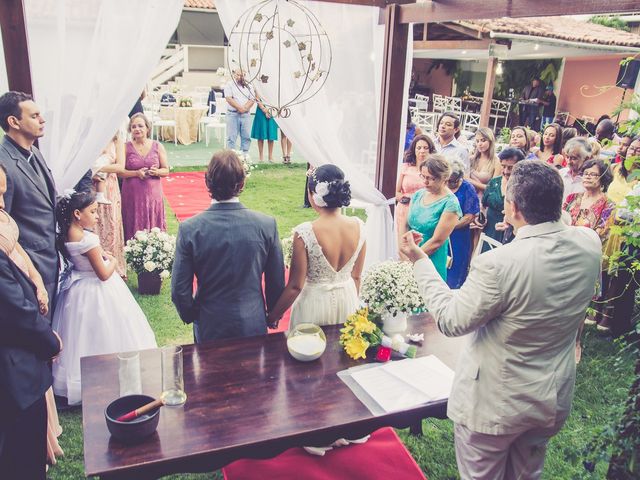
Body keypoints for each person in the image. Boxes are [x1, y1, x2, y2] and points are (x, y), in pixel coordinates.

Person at [400, 160, 601, 480]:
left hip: (495, 405)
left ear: (513, 207)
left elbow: (452, 321)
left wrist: (420, 262)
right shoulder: (590, 243)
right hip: (549, 397)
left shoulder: (498, 264)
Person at [52, 190, 156, 405]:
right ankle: (111, 379)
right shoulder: (88, 239)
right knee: (108, 330)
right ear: (78, 214)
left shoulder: (68, 234)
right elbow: (103, 274)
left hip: (78, 290)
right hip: (98, 289)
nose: (97, 216)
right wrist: (115, 263)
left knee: (80, 335)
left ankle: (78, 380)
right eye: (93, 211)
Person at [171, 150, 285, 342]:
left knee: (210, 372)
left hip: (210, 322)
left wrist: (190, 314)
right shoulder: (266, 225)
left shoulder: (190, 229)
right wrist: (272, 313)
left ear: (207, 182)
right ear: (242, 183)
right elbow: (276, 282)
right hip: (252, 320)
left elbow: (179, 290)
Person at [0, 165, 63, 477]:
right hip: (13, 373)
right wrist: (50, 341)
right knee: (22, 460)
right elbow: (14, 309)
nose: (2, 205)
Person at [267, 165, 365, 331]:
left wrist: (273, 316)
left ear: (313, 195)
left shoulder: (305, 232)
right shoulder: (359, 226)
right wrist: (351, 302)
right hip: (348, 298)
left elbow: (295, 286)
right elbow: (356, 276)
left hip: (315, 304)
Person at [0, 92, 58, 321]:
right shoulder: (3, 163)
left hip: (51, 261)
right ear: (13, 122)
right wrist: (29, 273)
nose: (42, 119)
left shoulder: (34, 152)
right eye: (34, 116)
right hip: (28, 270)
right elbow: (5, 222)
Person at [563, 159, 615, 360]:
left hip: (586, 258)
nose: (588, 176)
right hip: (565, 254)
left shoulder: (608, 204)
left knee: (579, 304)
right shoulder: (571, 198)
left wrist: (573, 233)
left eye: (593, 174)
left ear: (603, 178)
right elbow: (560, 221)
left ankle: (576, 341)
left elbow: (601, 233)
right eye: (585, 173)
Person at [407, 154, 461, 281]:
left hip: (430, 259)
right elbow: (405, 224)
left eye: (430, 178)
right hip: (410, 254)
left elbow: (437, 241)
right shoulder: (418, 194)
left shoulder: (450, 203)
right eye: (423, 176)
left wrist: (413, 259)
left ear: (444, 178)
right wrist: (403, 250)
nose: (425, 182)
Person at [121, 113, 169, 241]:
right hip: (133, 195)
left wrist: (157, 172)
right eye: (133, 127)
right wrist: (136, 173)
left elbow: (166, 170)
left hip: (153, 194)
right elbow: (119, 172)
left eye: (140, 126)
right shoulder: (125, 147)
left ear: (147, 128)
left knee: (153, 221)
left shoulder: (158, 146)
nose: (137, 129)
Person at [396, 134, 435, 258]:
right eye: (418, 148)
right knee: (401, 244)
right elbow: (396, 191)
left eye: (425, 148)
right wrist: (403, 198)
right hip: (404, 208)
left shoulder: (432, 171)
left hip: (423, 209)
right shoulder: (406, 167)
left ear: (430, 150)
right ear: (414, 150)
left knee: (417, 242)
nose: (422, 151)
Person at [95, 133, 126, 277]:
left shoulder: (117, 139)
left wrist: (97, 168)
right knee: (95, 222)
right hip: (93, 185)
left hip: (111, 187)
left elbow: (120, 167)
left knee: (111, 222)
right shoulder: (93, 137)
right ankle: (96, 263)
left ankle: (113, 264)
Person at [482, 147, 525, 246]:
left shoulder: (524, 186)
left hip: (511, 234)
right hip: (491, 230)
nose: (506, 171)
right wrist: (481, 215)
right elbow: (483, 205)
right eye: (503, 166)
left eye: (510, 167)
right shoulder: (494, 182)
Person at [446, 161, 479, 289]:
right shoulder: (441, 184)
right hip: (440, 234)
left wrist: (448, 226)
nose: (449, 184)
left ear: (460, 178)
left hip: (459, 236)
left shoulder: (467, 188)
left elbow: (470, 216)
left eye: (453, 181)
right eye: (447, 180)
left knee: (457, 266)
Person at [224, 70, 255, 157]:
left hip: (246, 115)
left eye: (242, 75)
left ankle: (244, 156)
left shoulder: (249, 86)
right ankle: (230, 157)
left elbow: (252, 99)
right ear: (234, 74)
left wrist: (244, 108)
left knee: (246, 136)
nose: (239, 77)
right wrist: (239, 108)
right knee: (231, 137)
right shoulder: (229, 85)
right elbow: (229, 98)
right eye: (238, 75)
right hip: (232, 114)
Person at [468, 127, 501, 201]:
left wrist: (470, 181)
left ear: (490, 141)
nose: (479, 144)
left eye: (483, 140)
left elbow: (494, 188)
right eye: (477, 141)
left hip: (484, 200)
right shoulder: (470, 159)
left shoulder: (496, 162)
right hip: (468, 197)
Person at [560, 137, 591, 202]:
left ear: (586, 159)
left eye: (573, 158)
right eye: (567, 157)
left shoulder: (590, 180)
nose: (569, 162)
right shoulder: (561, 173)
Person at [250, 90, 278, 163]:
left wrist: (270, 110)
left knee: (271, 134)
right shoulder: (258, 84)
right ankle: (261, 157)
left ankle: (270, 157)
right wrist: (264, 109)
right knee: (260, 134)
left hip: (272, 109)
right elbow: (257, 98)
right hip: (261, 111)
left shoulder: (273, 85)